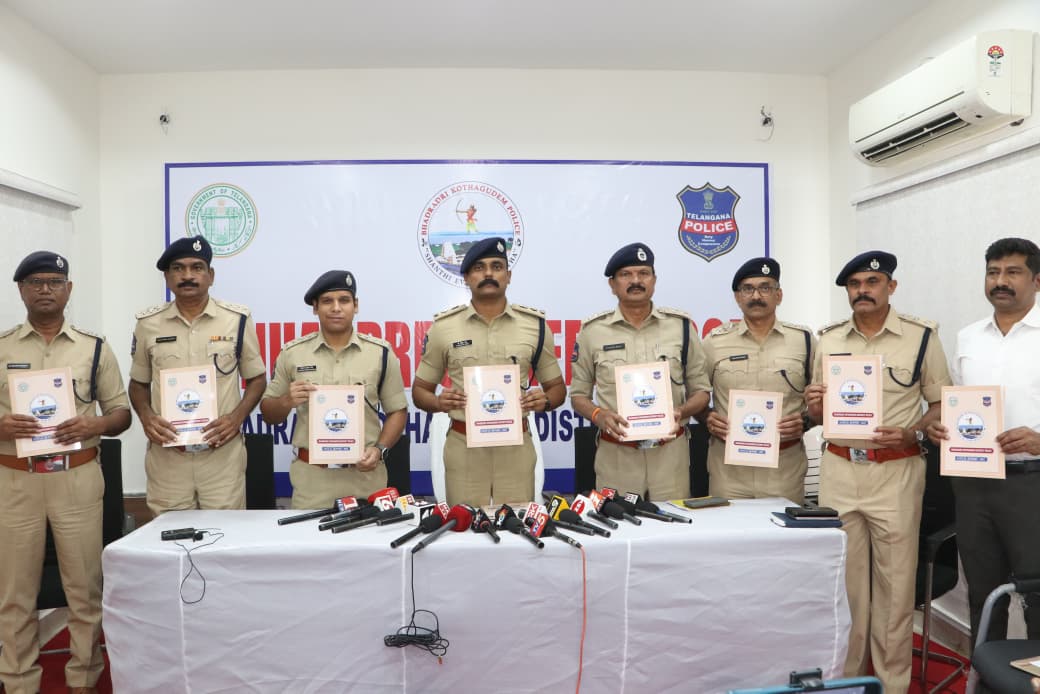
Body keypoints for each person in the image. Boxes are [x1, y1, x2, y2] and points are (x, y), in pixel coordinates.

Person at [805, 250, 950, 694]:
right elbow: (817, 413)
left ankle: (891, 685)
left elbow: (942, 404)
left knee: (895, 590)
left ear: (891, 286)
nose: (862, 291)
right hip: (839, 469)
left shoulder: (921, 337)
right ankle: (847, 683)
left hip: (896, 472)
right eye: (854, 284)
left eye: (872, 282)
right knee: (844, 590)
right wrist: (814, 406)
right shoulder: (828, 339)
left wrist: (912, 432)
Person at [0, 251, 131, 694]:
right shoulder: (2, 347)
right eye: (35, 282)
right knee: (14, 593)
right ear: (21, 290)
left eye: (54, 282)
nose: (45, 290)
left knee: (84, 588)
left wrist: (94, 425)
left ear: (68, 289)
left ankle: (83, 678)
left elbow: (121, 413)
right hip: (15, 480)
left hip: (76, 479)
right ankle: (18, 682)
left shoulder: (94, 348)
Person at [926, 237, 1040, 647]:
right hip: (973, 484)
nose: (1000, 281)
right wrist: (940, 427)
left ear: (1037, 280)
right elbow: (958, 404)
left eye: (1013, 272)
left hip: (1031, 483)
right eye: (993, 272)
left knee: (1037, 594)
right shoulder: (968, 337)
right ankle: (985, 677)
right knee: (983, 594)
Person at [412, 237, 566, 506]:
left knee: (516, 524)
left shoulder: (536, 326)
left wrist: (546, 400)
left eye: (496, 266)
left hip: (516, 448)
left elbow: (558, 390)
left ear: (508, 275)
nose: (488, 274)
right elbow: (419, 392)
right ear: (466, 278)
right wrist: (438, 402)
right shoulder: (443, 328)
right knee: (465, 526)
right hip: (464, 447)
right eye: (479, 268)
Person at [129, 236, 266, 515]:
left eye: (197, 267)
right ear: (167, 277)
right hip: (169, 458)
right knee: (170, 536)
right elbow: (138, 384)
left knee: (224, 535)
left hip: (221, 457)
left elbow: (257, 379)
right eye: (178, 268)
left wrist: (236, 418)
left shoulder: (236, 320)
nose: (188, 276)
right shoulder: (148, 324)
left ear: (210, 275)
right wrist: (146, 416)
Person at [570, 243, 710, 501]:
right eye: (626, 274)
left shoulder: (681, 328)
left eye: (643, 273)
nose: (636, 281)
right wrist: (599, 415)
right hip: (617, 457)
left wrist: (681, 411)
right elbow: (578, 396)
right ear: (612, 284)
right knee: (618, 524)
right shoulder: (592, 332)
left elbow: (701, 391)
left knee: (673, 523)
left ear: (654, 280)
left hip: (670, 456)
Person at [260, 270, 408, 508]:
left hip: (365, 479)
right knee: (308, 534)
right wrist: (287, 401)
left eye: (344, 300)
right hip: (312, 481)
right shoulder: (293, 354)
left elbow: (398, 410)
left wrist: (380, 449)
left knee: (370, 534)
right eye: (327, 301)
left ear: (355, 305)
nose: (336, 308)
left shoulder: (380, 353)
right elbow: (268, 412)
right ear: (315, 308)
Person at [703, 257, 814, 503]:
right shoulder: (714, 342)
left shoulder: (804, 341)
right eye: (748, 289)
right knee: (728, 528)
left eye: (765, 288)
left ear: (779, 295)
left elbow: (823, 399)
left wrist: (806, 421)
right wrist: (706, 417)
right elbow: (696, 393)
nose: (756, 296)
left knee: (783, 529)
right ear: (737, 297)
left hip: (784, 469)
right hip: (729, 471)